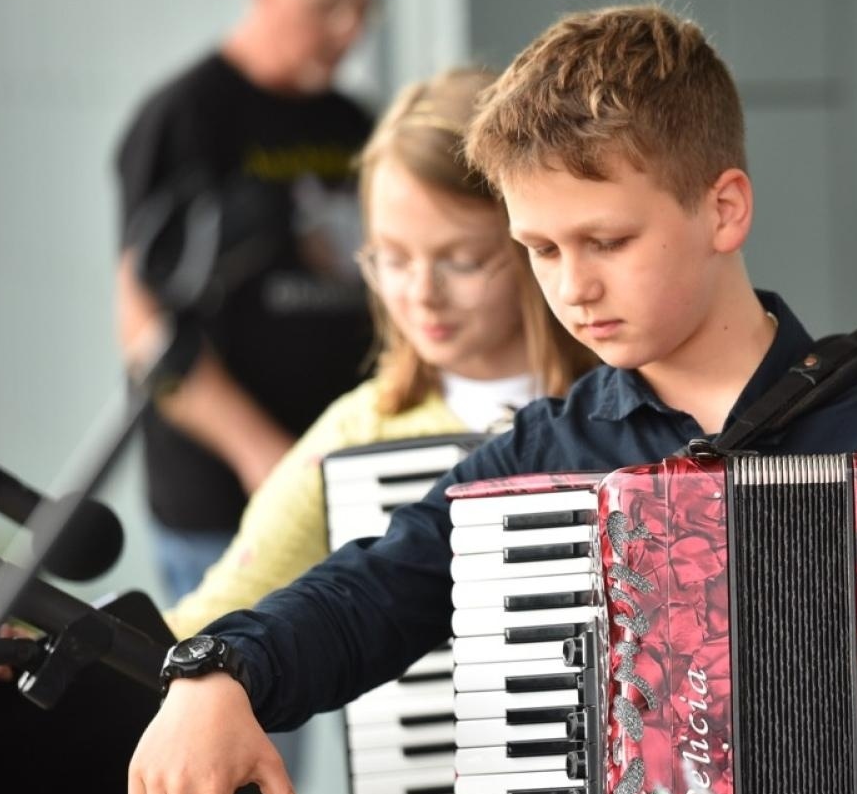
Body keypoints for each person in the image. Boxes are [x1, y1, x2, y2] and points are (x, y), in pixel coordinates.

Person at [127, 4, 857, 794]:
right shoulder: (546, 457)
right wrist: (221, 668)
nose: (574, 288)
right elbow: (376, 590)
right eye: (541, 249)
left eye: (605, 241)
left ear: (724, 210)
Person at [163, 68, 599, 640]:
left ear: (535, 244)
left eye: (461, 261)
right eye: (391, 259)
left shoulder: (625, 399)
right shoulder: (355, 435)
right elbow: (206, 618)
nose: (421, 294)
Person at [115, 0, 387, 603]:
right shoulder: (186, 117)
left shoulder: (354, 123)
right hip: (224, 508)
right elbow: (144, 324)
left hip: (350, 486)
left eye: (364, 5)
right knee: (244, 712)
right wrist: (258, 452)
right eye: (328, 4)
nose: (350, 28)